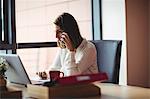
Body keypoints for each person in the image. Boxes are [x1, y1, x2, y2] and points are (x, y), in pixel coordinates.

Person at [38, 12, 98, 78]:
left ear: (70, 32)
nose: (56, 36)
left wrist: (71, 51)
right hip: (70, 87)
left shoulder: (89, 48)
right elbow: (56, 68)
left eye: (60, 32)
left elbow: (72, 76)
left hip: (87, 86)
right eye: (55, 32)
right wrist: (46, 74)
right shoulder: (64, 47)